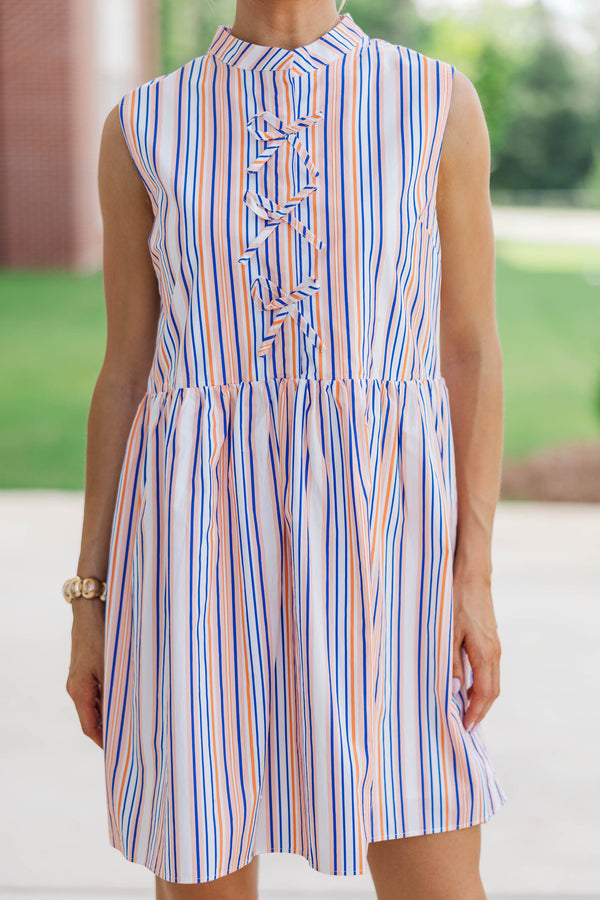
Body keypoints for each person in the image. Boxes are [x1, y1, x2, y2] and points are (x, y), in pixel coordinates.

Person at [64, 1, 508, 897]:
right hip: (191, 542)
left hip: (386, 542)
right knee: (204, 862)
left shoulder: (434, 102)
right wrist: (91, 597)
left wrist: (473, 575)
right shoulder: (143, 126)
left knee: (433, 867)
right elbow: (125, 372)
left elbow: (468, 349)